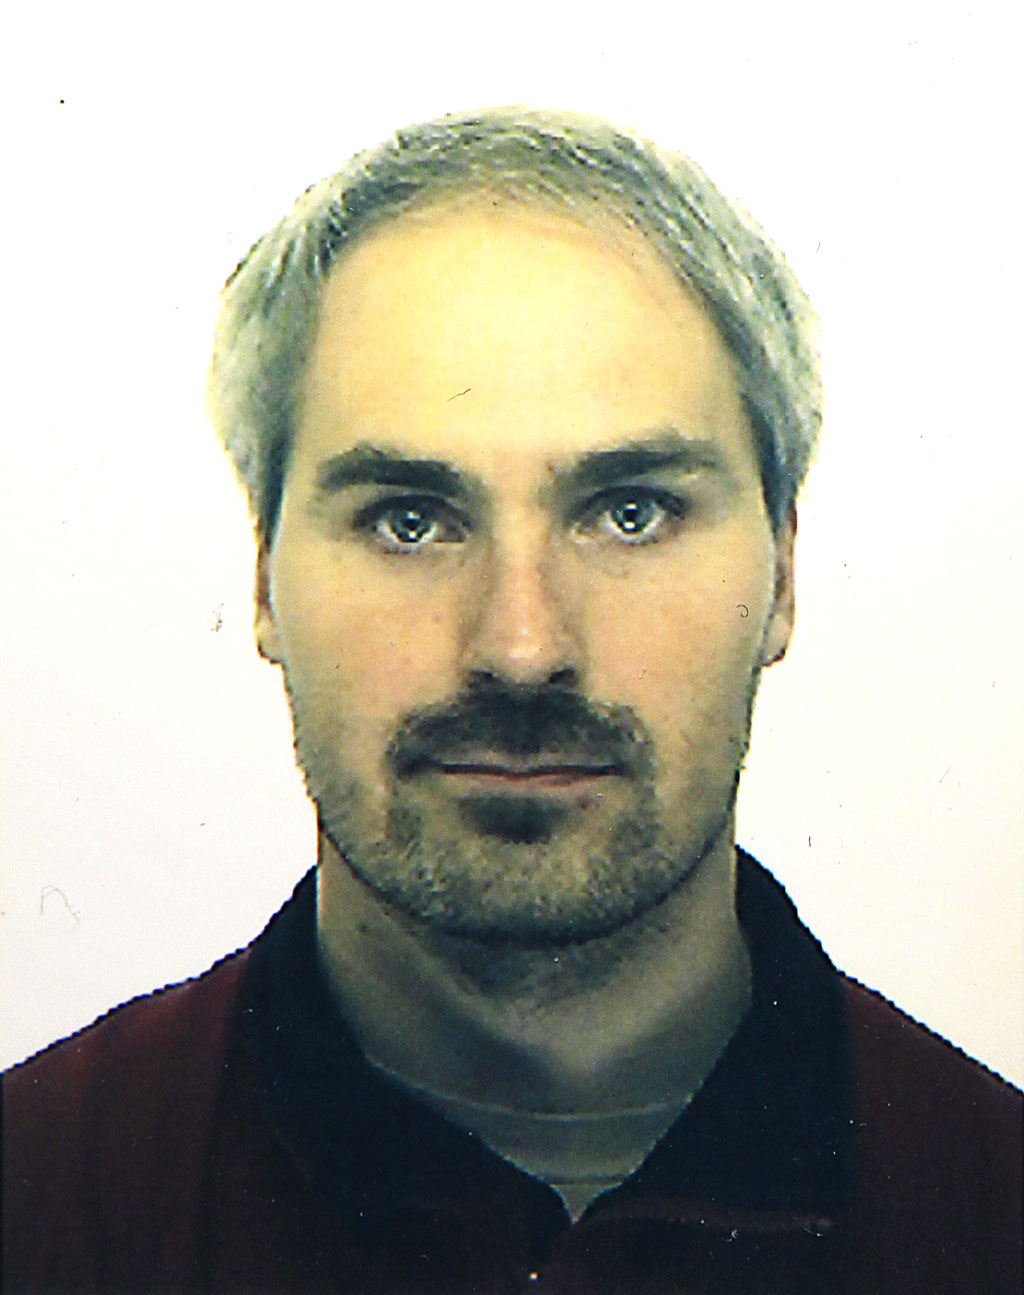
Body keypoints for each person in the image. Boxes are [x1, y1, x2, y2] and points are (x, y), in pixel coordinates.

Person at [3, 108, 1020, 1294]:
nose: (522, 647)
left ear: (783, 574)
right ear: (264, 576)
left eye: (630, 512)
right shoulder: (35, 1198)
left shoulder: (994, 1213)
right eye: (409, 520)